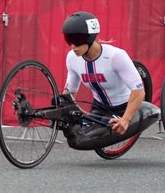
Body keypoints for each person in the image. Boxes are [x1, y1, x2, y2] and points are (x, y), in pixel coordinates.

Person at [60, 11, 159, 150]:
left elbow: (138, 91)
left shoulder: (115, 56)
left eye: (76, 41)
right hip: (99, 109)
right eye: (68, 40)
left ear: (89, 38)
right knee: (75, 137)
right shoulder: (72, 58)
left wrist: (125, 120)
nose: (72, 46)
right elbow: (70, 92)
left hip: (124, 108)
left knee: (82, 140)